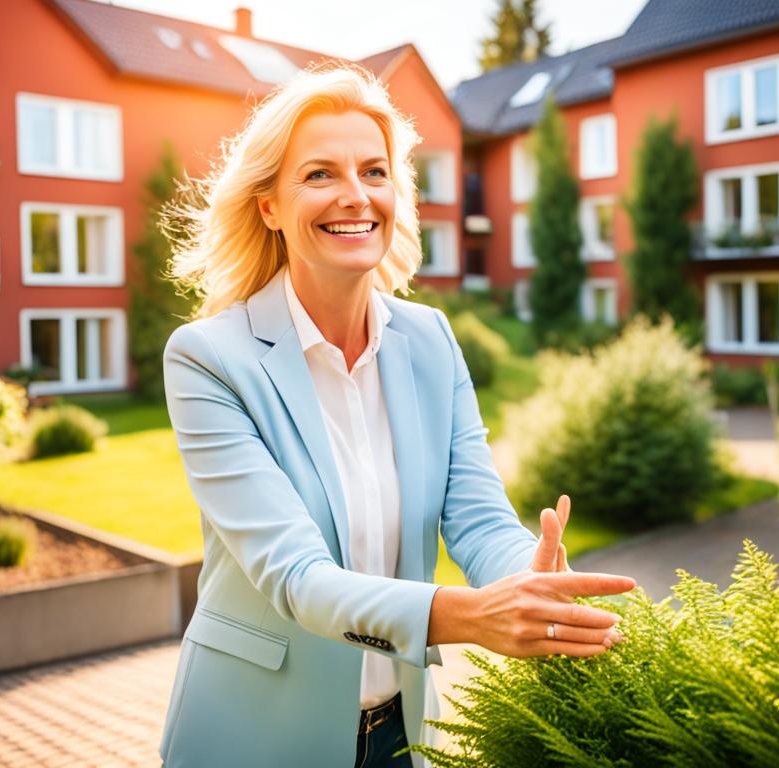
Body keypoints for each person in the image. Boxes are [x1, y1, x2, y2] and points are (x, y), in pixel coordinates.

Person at [157, 63, 635, 768]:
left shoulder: (431, 340)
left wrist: (529, 581)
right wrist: (473, 617)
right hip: (251, 736)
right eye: (320, 174)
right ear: (268, 206)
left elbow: (477, 519)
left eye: (374, 172)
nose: (355, 196)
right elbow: (297, 578)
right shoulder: (208, 358)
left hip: (404, 735)